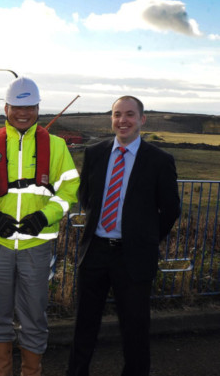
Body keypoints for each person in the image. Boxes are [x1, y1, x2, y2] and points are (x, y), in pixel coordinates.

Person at [0, 77, 79, 376]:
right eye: (16, 107)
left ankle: (31, 372)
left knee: (34, 316)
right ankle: (1, 371)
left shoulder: (57, 146)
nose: (22, 113)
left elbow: (69, 190)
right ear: (6, 108)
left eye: (28, 107)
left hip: (36, 246)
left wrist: (44, 217)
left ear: (37, 108)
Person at [66, 96, 181, 376]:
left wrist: (146, 237)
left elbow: (171, 209)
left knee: (135, 329)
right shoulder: (94, 153)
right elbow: (86, 196)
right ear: (112, 119)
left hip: (133, 256)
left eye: (130, 114)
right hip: (95, 252)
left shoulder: (160, 160)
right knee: (84, 326)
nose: (123, 120)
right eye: (117, 114)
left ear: (142, 119)